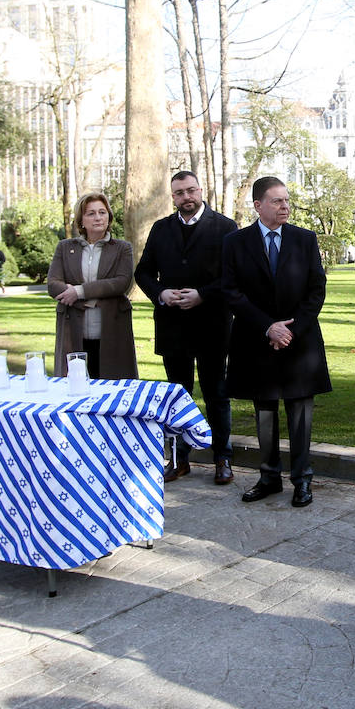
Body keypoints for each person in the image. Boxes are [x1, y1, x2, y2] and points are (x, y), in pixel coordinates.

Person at [221, 176, 331, 508]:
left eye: (286, 200)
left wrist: (289, 330)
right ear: (257, 206)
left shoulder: (304, 239)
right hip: (257, 342)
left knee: (300, 413)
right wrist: (268, 327)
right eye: (277, 201)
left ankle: (302, 480)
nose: (285, 206)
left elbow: (316, 291)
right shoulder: (235, 242)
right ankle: (269, 477)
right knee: (265, 413)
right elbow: (230, 291)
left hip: (299, 343)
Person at [134, 171, 239, 485]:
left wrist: (202, 295)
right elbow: (143, 273)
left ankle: (223, 458)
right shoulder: (161, 228)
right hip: (172, 327)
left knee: (216, 394)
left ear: (201, 190)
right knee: (177, 397)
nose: (186, 197)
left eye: (190, 190)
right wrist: (160, 293)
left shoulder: (225, 228)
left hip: (212, 326)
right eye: (179, 193)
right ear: (173, 196)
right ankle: (179, 460)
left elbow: (233, 277)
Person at [48, 192, 139, 380]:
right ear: (81, 220)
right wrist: (94, 295)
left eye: (102, 212)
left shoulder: (122, 248)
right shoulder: (65, 247)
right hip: (74, 331)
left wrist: (78, 292)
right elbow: (53, 285)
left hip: (111, 330)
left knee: (112, 390)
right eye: (91, 213)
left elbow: (121, 283)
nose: (98, 217)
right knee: (76, 388)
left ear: (109, 217)